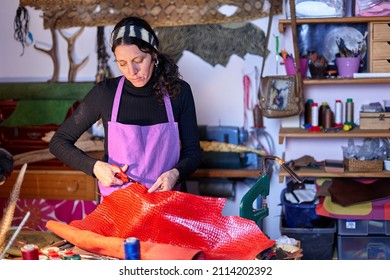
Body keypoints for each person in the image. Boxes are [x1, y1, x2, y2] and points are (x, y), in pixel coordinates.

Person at [49, 16, 202, 198]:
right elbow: (58, 142)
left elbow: (193, 152)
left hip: (166, 204)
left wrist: (175, 174)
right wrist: (95, 167)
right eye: (122, 63)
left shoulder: (179, 92)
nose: (132, 71)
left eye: (138, 60)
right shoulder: (104, 93)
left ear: (153, 54)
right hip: (118, 209)